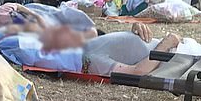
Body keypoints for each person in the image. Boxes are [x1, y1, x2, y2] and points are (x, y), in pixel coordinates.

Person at [39, 23, 183, 77]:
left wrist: (135, 27)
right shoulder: (91, 58)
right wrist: (165, 45)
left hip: (176, 48)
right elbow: (138, 72)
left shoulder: (93, 44)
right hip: (177, 58)